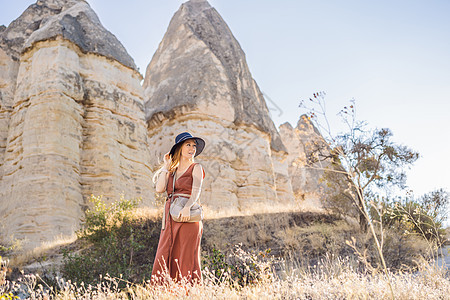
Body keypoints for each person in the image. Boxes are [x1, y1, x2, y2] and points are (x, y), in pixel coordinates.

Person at [151, 132, 206, 285]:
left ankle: (188, 292)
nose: (192, 148)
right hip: (170, 217)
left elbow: (196, 190)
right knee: (165, 252)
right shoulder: (172, 171)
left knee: (186, 256)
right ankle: (165, 292)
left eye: (194, 145)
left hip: (187, 216)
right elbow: (159, 189)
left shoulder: (196, 167)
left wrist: (187, 207)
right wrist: (166, 166)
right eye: (188, 145)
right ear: (179, 148)